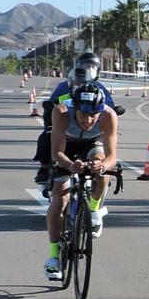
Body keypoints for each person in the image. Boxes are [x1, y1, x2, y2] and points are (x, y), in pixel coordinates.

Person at [43, 83, 120, 280]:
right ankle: (53, 258)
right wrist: (70, 165)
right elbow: (57, 153)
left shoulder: (108, 115)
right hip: (65, 146)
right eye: (83, 115)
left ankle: (93, 209)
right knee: (60, 198)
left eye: (93, 114)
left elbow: (112, 156)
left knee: (103, 170)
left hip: (92, 144)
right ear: (74, 108)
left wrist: (102, 166)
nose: (88, 120)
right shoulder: (61, 112)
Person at [33, 54, 121, 196]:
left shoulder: (99, 89)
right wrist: (51, 124)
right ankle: (44, 168)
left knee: (100, 158)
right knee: (45, 138)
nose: (89, 69)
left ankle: (93, 206)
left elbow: (108, 106)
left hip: (91, 137)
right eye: (85, 65)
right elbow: (52, 106)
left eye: (92, 66)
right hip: (66, 130)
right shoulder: (64, 87)